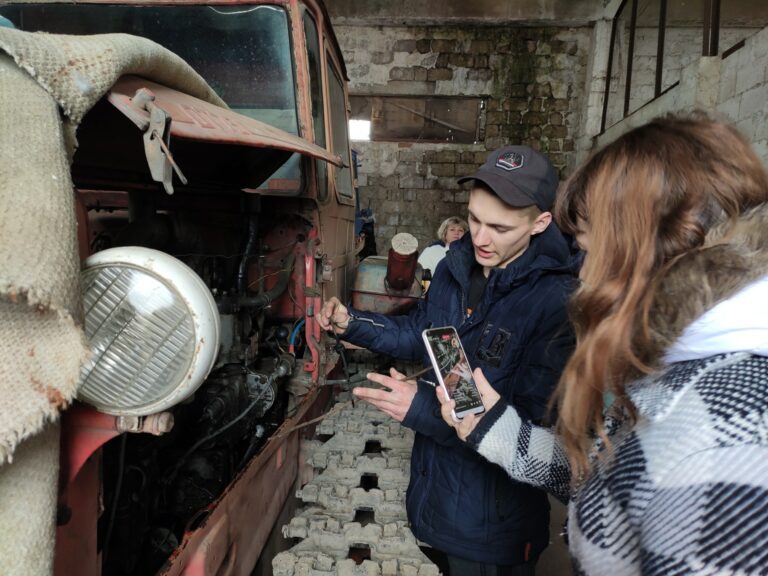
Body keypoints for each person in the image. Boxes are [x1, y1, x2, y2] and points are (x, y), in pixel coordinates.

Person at [429, 114, 768, 575]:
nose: (584, 274)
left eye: (591, 250)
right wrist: (494, 427)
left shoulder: (729, 437)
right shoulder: (686, 367)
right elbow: (610, 472)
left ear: (644, 246)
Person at [317, 145, 577, 575]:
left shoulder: (554, 303)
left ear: (540, 223)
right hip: (437, 499)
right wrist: (353, 325)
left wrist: (421, 407)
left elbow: (532, 433)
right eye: (474, 219)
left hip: (491, 526)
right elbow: (426, 334)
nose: (480, 237)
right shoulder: (457, 268)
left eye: (499, 227)